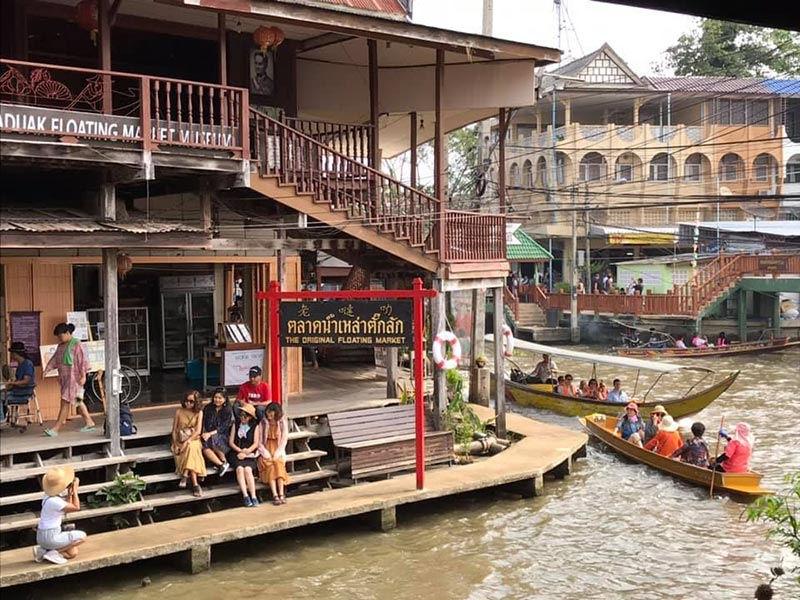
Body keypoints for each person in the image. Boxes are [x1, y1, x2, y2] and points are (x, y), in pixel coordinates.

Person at [43, 323, 96, 437]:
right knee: (78, 401)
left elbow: (84, 361)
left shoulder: (77, 345)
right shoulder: (60, 346)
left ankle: (56, 428)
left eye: (60, 336)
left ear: (67, 333)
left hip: (75, 379)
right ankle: (89, 422)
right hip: (65, 379)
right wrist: (47, 369)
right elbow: (55, 359)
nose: (59, 338)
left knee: (65, 401)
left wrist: (83, 376)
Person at [33, 466, 87, 565]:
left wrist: (70, 494)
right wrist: (75, 490)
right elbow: (76, 507)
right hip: (51, 536)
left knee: (73, 553)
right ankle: (54, 552)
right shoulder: (55, 501)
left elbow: (67, 509)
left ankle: (43, 551)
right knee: (82, 537)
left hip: (42, 536)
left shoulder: (48, 497)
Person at [171, 391, 207, 497]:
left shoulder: (199, 413)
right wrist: (175, 444)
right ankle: (195, 484)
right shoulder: (179, 412)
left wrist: (188, 441)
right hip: (180, 440)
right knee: (192, 450)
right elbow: (174, 430)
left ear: (196, 402)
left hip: (193, 439)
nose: (188, 403)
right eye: (186, 401)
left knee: (192, 447)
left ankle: (186, 474)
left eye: (191, 401)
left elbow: (198, 431)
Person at [258, 402, 290, 505]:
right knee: (270, 465)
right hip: (265, 448)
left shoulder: (282, 423)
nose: (269, 415)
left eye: (271, 413)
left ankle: (281, 494)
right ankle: (275, 494)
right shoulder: (262, 423)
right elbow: (259, 442)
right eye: (268, 413)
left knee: (278, 463)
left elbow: (284, 439)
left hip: (278, 448)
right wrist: (265, 453)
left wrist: (278, 452)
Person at [229, 402, 260, 507]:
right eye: (241, 415)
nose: (243, 418)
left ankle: (254, 496)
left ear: (250, 417)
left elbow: (256, 443)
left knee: (247, 470)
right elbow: (231, 442)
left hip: (249, 452)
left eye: (245, 416)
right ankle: (245, 495)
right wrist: (240, 451)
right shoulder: (236, 424)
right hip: (236, 452)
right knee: (240, 469)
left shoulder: (255, 426)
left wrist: (247, 451)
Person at [202, 388, 233, 476]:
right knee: (204, 444)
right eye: (215, 397)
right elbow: (203, 422)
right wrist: (204, 433)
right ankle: (221, 464)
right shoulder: (208, 408)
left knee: (211, 440)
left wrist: (209, 434)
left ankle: (222, 462)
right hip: (208, 434)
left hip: (223, 436)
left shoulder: (227, 410)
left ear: (225, 399)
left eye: (220, 398)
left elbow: (223, 428)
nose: (217, 400)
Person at [4, 342, 36, 418]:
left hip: (23, 393)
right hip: (18, 391)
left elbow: (26, 381)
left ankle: (2, 419)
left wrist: (13, 383)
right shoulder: (21, 364)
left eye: (12, 353)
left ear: (15, 354)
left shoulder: (27, 364)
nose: (11, 355)